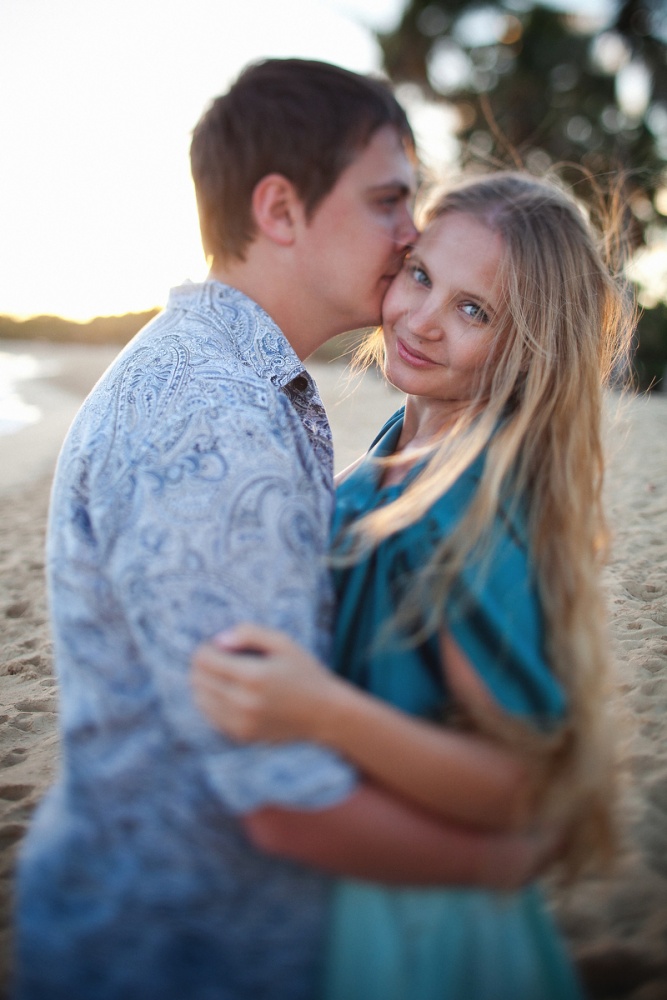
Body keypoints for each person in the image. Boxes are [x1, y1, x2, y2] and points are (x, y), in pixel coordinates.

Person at [14, 63, 550, 1000]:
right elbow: (280, 803)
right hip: (183, 956)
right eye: (387, 200)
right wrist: (501, 864)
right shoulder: (213, 421)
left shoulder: (234, 378)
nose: (410, 230)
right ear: (279, 209)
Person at [192, 170, 635, 999]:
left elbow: (522, 785)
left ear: (529, 349)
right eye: (421, 275)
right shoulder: (397, 448)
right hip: (359, 869)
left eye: (475, 311)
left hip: (415, 922)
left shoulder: (459, 513)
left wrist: (319, 710)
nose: (423, 319)